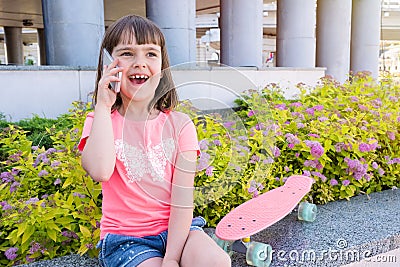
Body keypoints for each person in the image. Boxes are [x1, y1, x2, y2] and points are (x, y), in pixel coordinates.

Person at [78, 15, 231, 267]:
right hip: (127, 240)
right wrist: (103, 105)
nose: (140, 63)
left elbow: (182, 201)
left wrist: (172, 258)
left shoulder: (180, 125)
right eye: (127, 54)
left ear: (162, 67)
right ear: (109, 65)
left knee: (216, 261)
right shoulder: (100, 120)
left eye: (150, 54)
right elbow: (99, 171)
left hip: (178, 229)